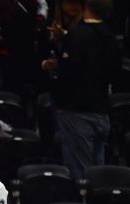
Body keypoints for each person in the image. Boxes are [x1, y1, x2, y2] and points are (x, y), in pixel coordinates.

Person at [41, 0, 119, 182]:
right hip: (101, 111)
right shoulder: (111, 37)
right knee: (97, 170)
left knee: (82, 174)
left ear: (86, 6)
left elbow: (68, 74)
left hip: (77, 111)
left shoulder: (76, 36)